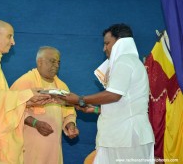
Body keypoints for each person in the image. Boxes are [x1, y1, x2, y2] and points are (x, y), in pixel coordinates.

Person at [61, 23, 155, 164]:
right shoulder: (130, 61)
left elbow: (114, 95)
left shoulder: (124, 61)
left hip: (127, 138)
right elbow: (125, 103)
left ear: (120, 42)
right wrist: (96, 109)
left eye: (107, 43)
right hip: (123, 137)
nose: (104, 48)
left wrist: (81, 100)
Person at [0, 20, 53, 164]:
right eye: (9, 36)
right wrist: (27, 94)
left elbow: (0, 98)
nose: (13, 42)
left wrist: (29, 100)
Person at [10, 46, 79, 164]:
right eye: (52, 61)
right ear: (40, 62)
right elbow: (12, 110)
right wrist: (36, 123)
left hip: (53, 149)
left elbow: (69, 112)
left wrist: (70, 125)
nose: (57, 65)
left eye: (58, 62)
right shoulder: (24, 82)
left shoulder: (62, 86)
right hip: (29, 148)